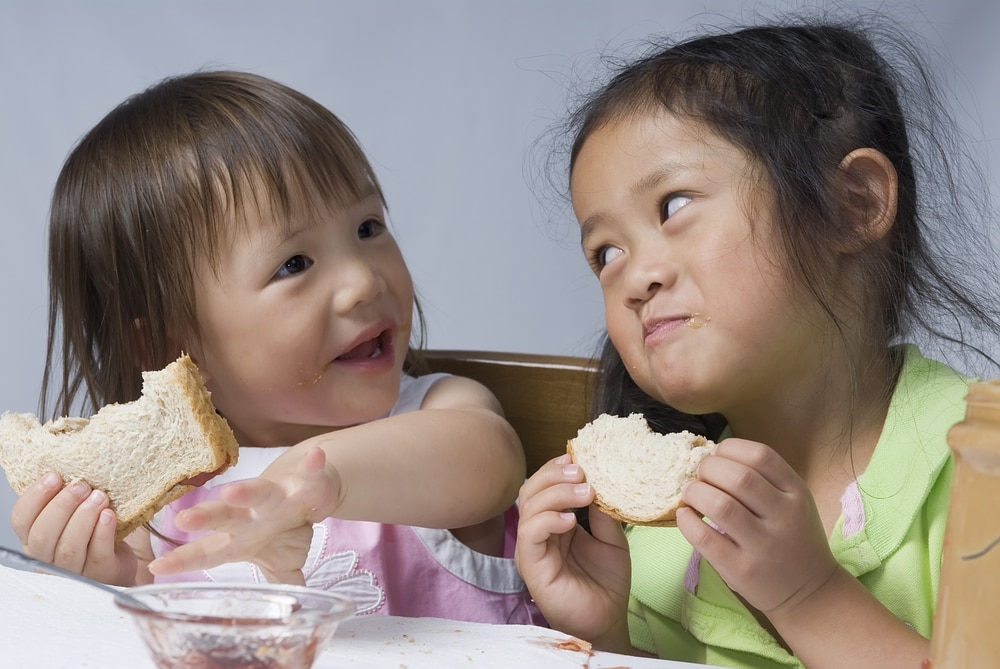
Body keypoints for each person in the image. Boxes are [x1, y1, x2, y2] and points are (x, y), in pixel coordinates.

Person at [515, 15, 1000, 668]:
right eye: (605, 251)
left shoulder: (980, 469)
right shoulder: (646, 546)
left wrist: (809, 596)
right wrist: (607, 640)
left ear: (851, 204)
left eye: (673, 206)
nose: (634, 277)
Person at [10, 70, 542, 625]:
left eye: (367, 227)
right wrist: (106, 584)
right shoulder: (159, 514)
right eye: (294, 264)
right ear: (176, 350)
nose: (364, 281)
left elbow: (488, 462)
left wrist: (315, 483)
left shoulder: (442, 412)